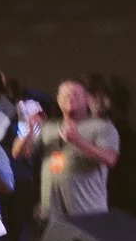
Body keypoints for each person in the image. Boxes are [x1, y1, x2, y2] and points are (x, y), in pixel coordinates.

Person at [19, 80, 121, 224]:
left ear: (86, 98)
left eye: (75, 94)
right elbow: (21, 153)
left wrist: (78, 140)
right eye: (65, 94)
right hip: (52, 214)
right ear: (58, 99)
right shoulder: (49, 127)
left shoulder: (103, 127)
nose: (70, 97)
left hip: (87, 213)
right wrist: (28, 130)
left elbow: (110, 159)